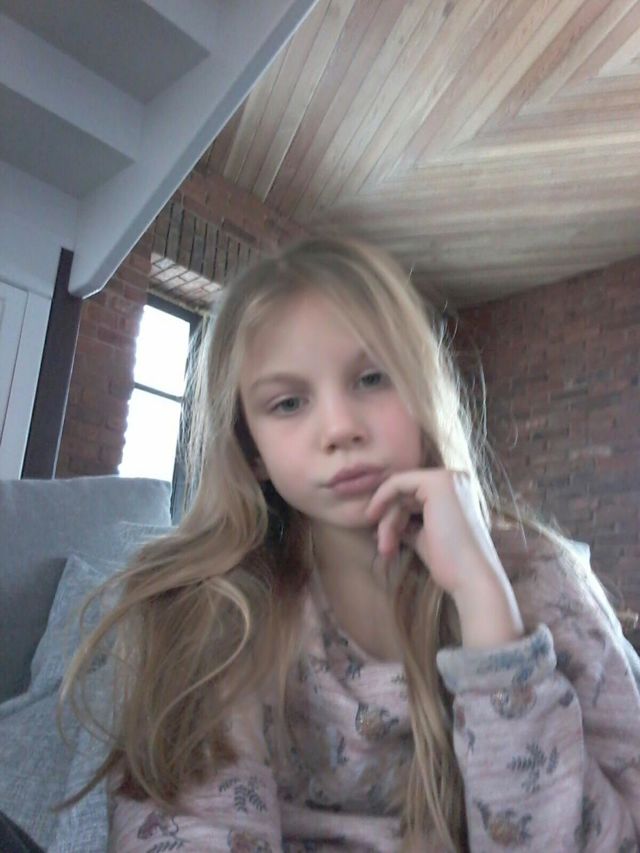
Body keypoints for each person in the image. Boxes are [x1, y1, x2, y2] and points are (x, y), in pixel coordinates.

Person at [62, 235, 640, 852]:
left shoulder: (542, 576)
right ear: (251, 450)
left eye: (372, 378)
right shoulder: (220, 612)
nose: (340, 428)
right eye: (288, 403)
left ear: (424, 394)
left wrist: (486, 606)